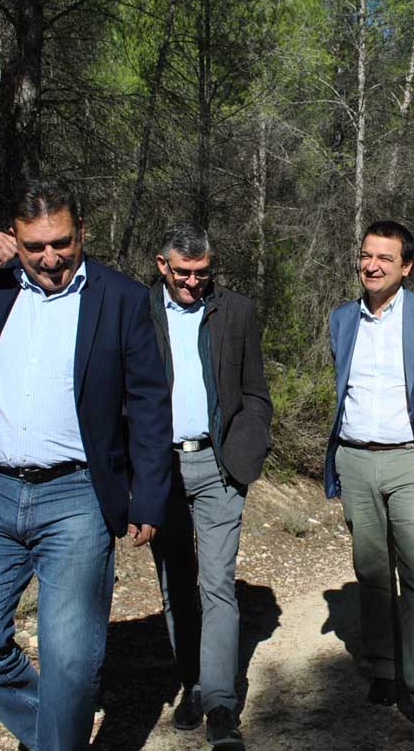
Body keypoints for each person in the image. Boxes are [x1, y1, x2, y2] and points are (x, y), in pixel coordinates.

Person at [0, 180, 173, 751]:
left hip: (75, 498)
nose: (51, 259)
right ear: (12, 241)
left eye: (62, 243)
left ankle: (59, 732)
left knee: (71, 661)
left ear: (81, 233)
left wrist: (148, 496)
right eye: (35, 246)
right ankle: (56, 733)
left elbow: (148, 401)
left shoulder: (118, 297)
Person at [324, 220, 414, 747]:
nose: (373, 265)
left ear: (406, 266)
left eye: (385, 257)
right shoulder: (342, 319)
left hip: (413, 463)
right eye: (366, 255)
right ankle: (385, 668)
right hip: (357, 460)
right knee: (372, 571)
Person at [147, 223, 272, 751]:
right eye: (183, 273)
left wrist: (243, 453)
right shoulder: (138, 310)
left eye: (202, 273)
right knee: (176, 583)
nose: (193, 284)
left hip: (218, 468)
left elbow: (255, 394)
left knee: (217, 584)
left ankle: (220, 703)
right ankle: (192, 686)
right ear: (162, 266)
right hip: (160, 470)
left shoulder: (236, 311)